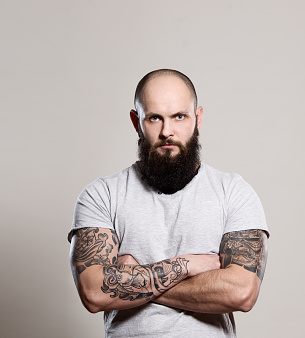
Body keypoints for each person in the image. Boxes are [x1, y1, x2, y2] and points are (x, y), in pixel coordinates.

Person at [68, 69, 269, 337]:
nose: (167, 132)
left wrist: (133, 279)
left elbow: (241, 292)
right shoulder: (101, 195)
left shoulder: (233, 192)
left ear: (197, 119)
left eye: (179, 116)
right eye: (154, 118)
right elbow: (94, 292)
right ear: (136, 121)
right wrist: (188, 265)